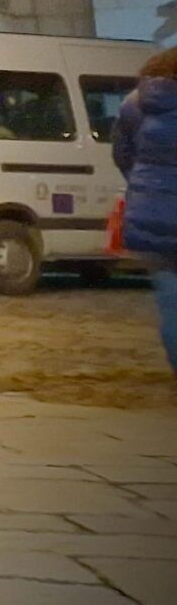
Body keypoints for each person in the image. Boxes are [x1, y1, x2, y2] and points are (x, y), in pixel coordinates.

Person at [110, 52, 177, 376]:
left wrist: (146, 191)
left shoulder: (135, 104)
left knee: (171, 306)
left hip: (154, 220)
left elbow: (123, 155)